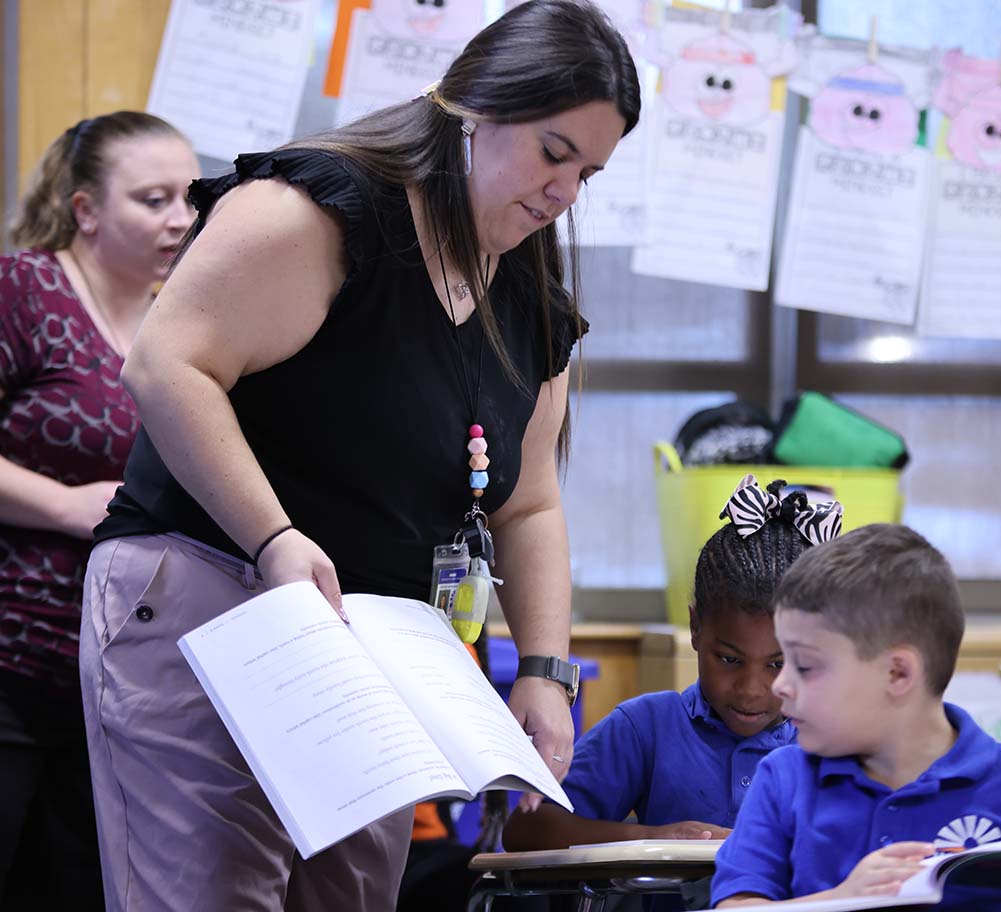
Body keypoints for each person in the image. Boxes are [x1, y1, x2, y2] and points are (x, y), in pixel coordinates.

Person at [77, 2, 640, 910]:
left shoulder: (530, 295)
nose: (564, 193)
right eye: (553, 151)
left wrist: (542, 670)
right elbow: (166, 363)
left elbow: (528, 503)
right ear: (474, 110)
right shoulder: (321, 212)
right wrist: (274, 538)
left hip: (377, 641)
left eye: (591, 173)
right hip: (212, 592)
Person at [711, 523, 1001, 911]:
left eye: (804, 666)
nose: (780, 685)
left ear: (897, 674)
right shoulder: (784, 779)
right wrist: (840, 902)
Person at [0, 111, 197, 910]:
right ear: (85, 210)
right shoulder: (23, 288)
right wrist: (65, 505)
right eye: (153, 200)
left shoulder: (180, 324)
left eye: (190, 197)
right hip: (11, 658)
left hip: (120, 681)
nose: (180, 219)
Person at [503, 476, 843, 910]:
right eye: (730, 659)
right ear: (696, 628)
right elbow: (525, 832)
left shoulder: (834, 743)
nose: (752, 690)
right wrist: (654, 839)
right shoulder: (647, 728)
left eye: (778, 664)